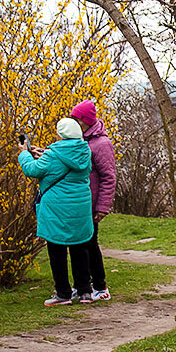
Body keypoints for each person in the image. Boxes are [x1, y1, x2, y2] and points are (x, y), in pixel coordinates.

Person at [17, 118, 94, 306]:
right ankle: (85, 291)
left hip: (57, 208)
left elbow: (32, 170)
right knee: (79, 247)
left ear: (61, 134)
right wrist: (44, 153)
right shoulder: (85, 151)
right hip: (80, 206)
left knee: (57, 249)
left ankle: (63, 294)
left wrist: (24, 154)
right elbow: (65, 160)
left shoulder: (54, 155)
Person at [69, 100, 116, 302]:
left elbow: (108, 176)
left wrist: (102, 207)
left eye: (76, 119)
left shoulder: (101, 144)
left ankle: (100, 286)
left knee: (89, 244)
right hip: (81, 203)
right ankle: (83, 285)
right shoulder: (81, 139)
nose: (73, 122)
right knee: (79, 245)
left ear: (85, 120)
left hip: (91, 203)